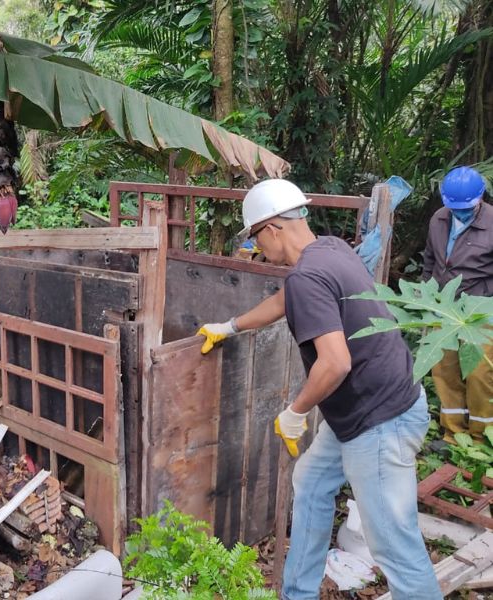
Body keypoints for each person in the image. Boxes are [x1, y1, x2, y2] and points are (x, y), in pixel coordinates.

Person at [198, 179, 441, 600]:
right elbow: (285, 299)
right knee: (310, 483)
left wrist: (295, 412)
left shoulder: (309, 274)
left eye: (255, 237)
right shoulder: (328, 248)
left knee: (393, 543)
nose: (257, 248)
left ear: (272, 227)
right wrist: (231, 326)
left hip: (379, 420)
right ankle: (298, 593)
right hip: (363, 410)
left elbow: (335, 362)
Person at [422, 166, 492, 443]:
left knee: (479, 373)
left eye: (466, 207)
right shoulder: (439, 218)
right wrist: (426, 295)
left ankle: (481, 436)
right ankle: (453, 433)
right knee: (444, 369)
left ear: (480, 199)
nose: (459, 211)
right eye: (454, 207)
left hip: (480, 310)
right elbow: (430, 259)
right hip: (443, 306)